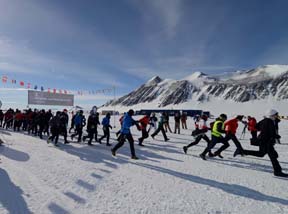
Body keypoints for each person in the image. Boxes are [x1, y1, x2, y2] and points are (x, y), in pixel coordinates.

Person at [236, 109, 288, 177]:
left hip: (263, 140)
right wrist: (276, 136)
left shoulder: (265, 121)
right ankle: (277, 171)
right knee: (272, 156)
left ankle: (241, 151)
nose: (277, 116)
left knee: (262, 154)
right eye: (276, 115)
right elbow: (271, 132)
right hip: (266, 141)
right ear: (271, 115)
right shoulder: (269, 122)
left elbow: (256, 127)